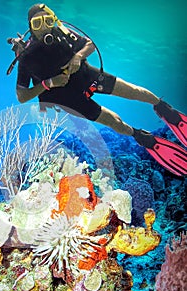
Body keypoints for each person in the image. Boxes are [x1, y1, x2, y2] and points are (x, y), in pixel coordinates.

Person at [14, 4, 187, 176]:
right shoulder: (26, 57)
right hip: (67, 99)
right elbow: (22, 96)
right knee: (113, 122)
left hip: (86, 76)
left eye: (48, 21)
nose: (44, 27)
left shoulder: (62, 33)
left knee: (133, 91)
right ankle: (140, 136)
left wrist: (78, 56)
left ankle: (163, 107)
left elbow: (88, 44)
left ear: (54, 20)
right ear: (30, 25)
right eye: (38, 23)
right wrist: (49, 83)